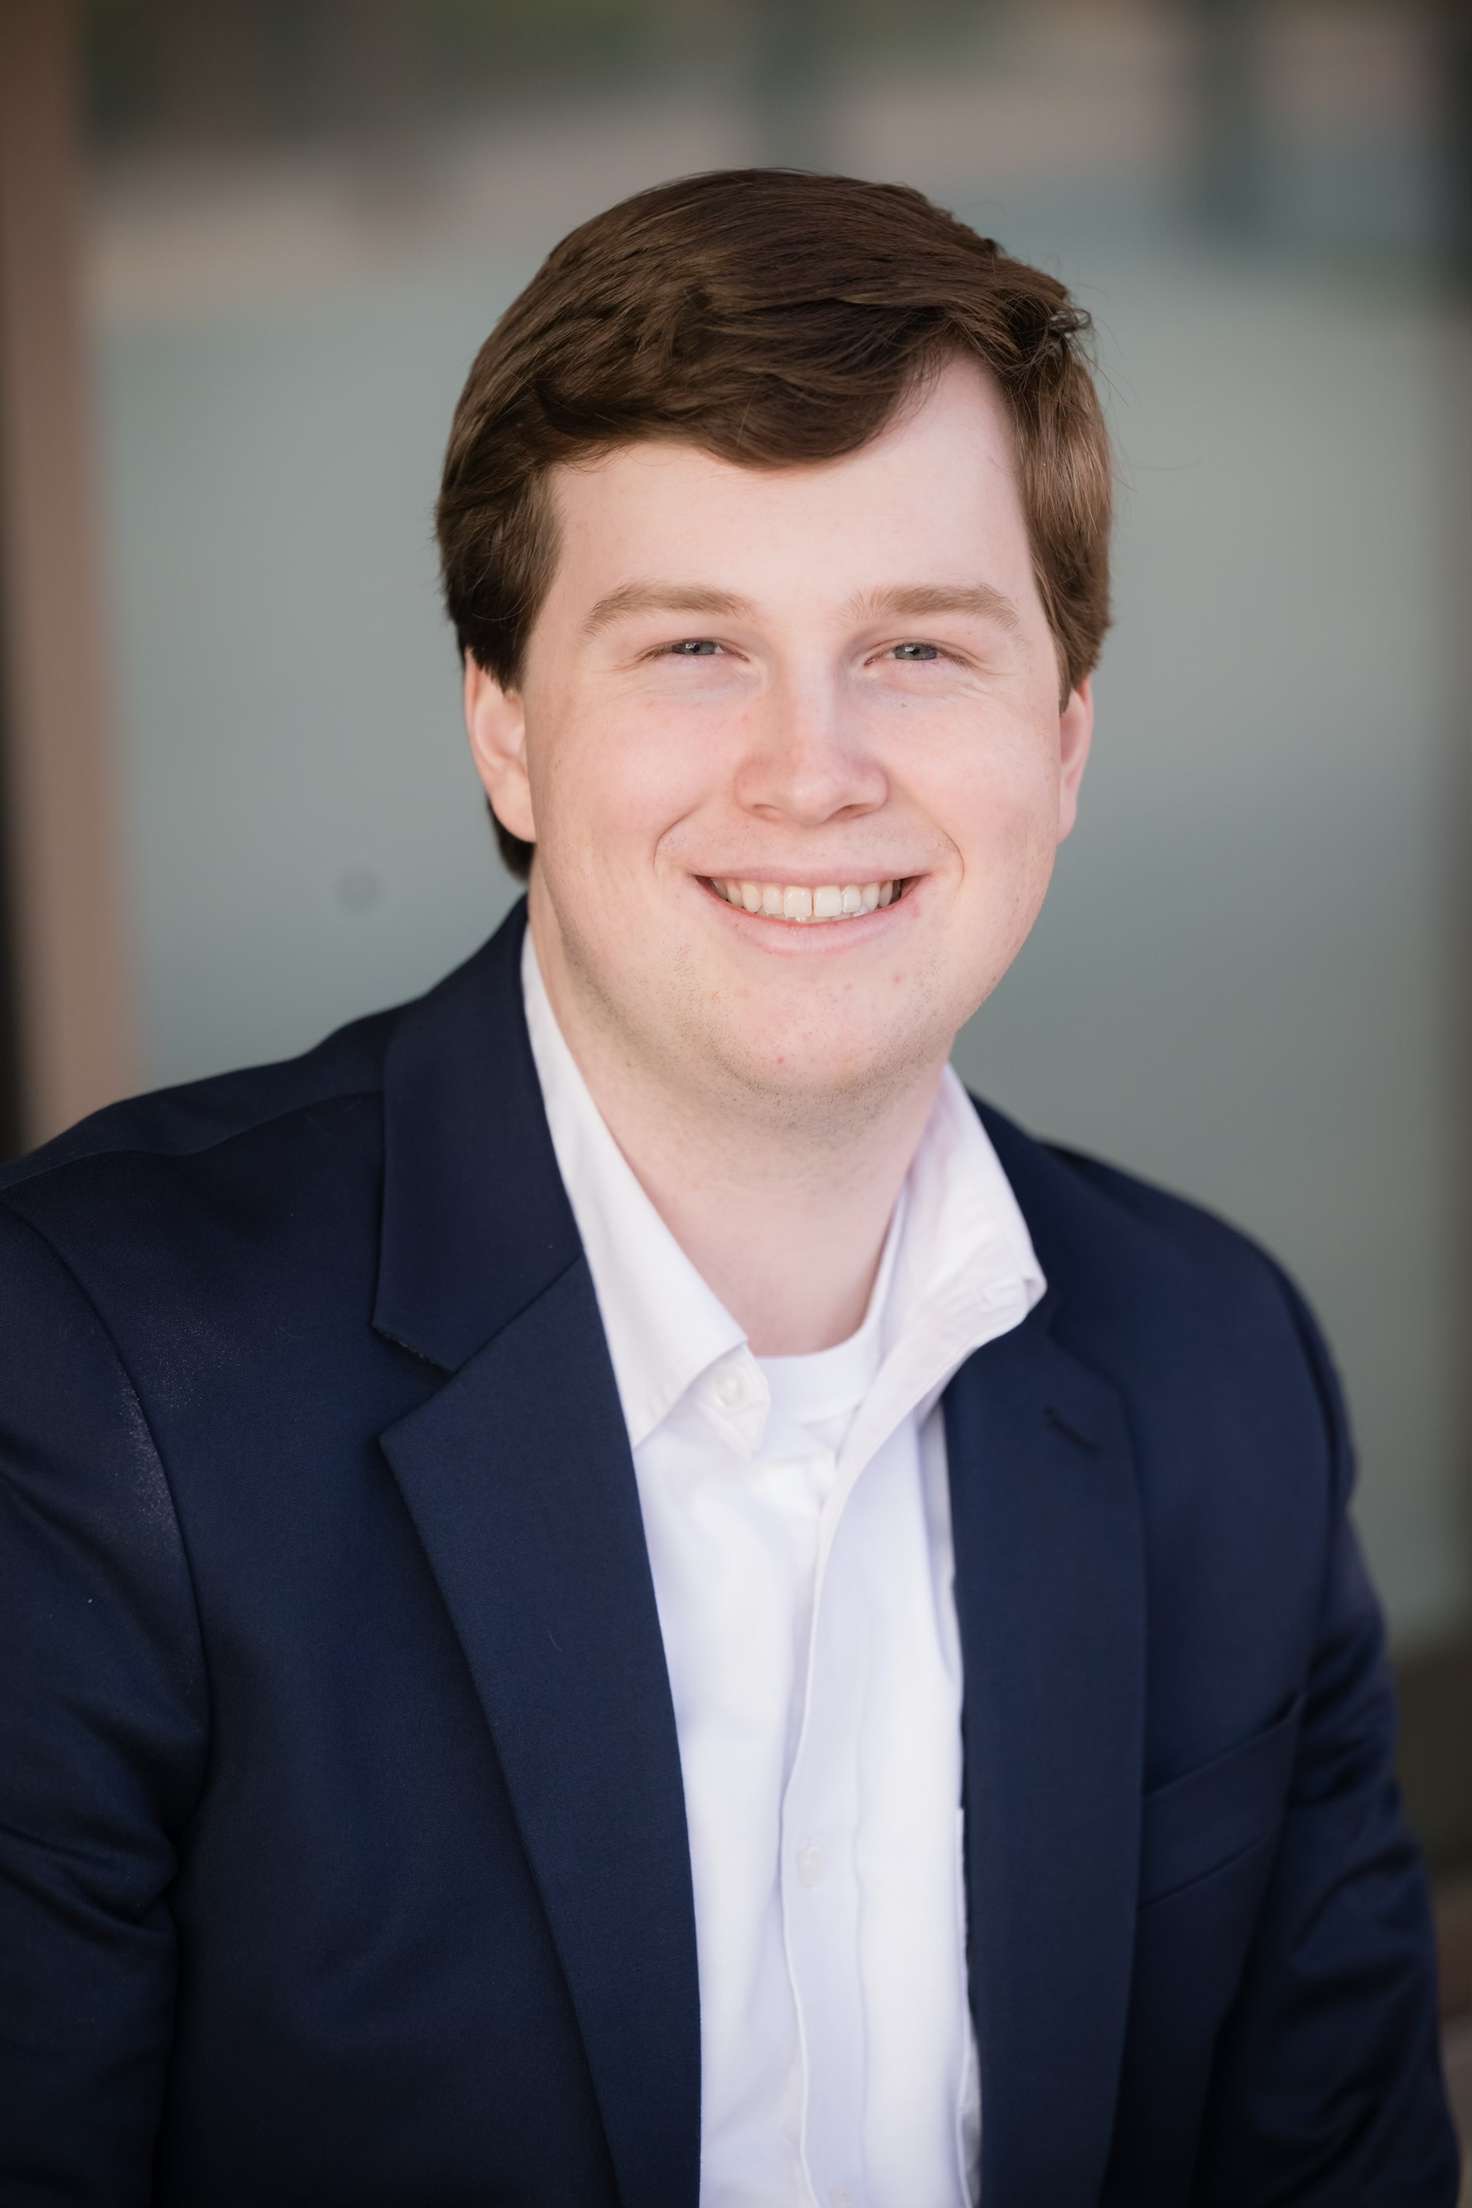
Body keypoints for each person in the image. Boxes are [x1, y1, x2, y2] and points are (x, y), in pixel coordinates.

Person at [0, 168, 1458, 2208]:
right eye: (694, 645)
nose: (810, 770)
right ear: (506, 731)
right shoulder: (99, 1370)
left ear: (1063, 740)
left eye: (917, 647)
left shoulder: (1221, 1370)